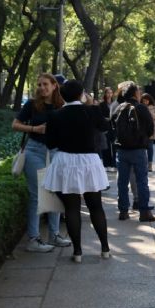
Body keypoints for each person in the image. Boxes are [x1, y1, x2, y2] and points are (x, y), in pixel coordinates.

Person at [42, 80, 111, 263]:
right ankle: (105, 248)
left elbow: (50, 143)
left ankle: (78, 252)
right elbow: (105, 127)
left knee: (71, 208)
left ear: (62, 95)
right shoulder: (92, 111)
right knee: (95, 206)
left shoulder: (55, 115)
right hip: (89, 161)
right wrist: (92, 104)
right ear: (82, 94)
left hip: (66, 161)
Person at [11, 73, 71, 252]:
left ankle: (54, 235)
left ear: (54, 85)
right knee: (37, 194)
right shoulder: (32, 104)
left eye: (45, 84)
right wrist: (34, 128)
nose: (42, 88)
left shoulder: (62, 105)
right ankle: (33, 239)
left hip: (55, 152)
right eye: (39, 85)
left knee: (54, 193)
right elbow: (15, 124)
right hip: (34, 151)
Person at [112, 82, 155, 222]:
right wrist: (143, 138)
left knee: (122, 181)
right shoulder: (141, 108)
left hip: (122, 150)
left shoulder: (119, 108)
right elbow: (151, 128)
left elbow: (113, 126)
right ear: (135, 94)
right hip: (139, 149)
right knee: (142, 181)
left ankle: (123, 211)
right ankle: (144, 212)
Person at [140, 93, 155, 172]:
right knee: (142, 148)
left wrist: (150, 112)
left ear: (150, 100)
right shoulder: (140, 107)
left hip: (151, 130)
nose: (145, 102)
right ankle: (143, 164)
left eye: (147, 100)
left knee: (150, 147)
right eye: (144, 101)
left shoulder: (154, 106)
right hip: (142, 130)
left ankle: (150, 165)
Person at [98, 87, 116, 171]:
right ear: (105, 94)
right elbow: (100, 115)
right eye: (108, 93)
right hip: (105, 126)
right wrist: (105, 119)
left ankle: (114, 164)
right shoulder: (101, 104)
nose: (109, 94)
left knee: (115, 146)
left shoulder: (114, 103)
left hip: (114, 126)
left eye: (111, 93)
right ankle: (106, 164)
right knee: (106, 146)